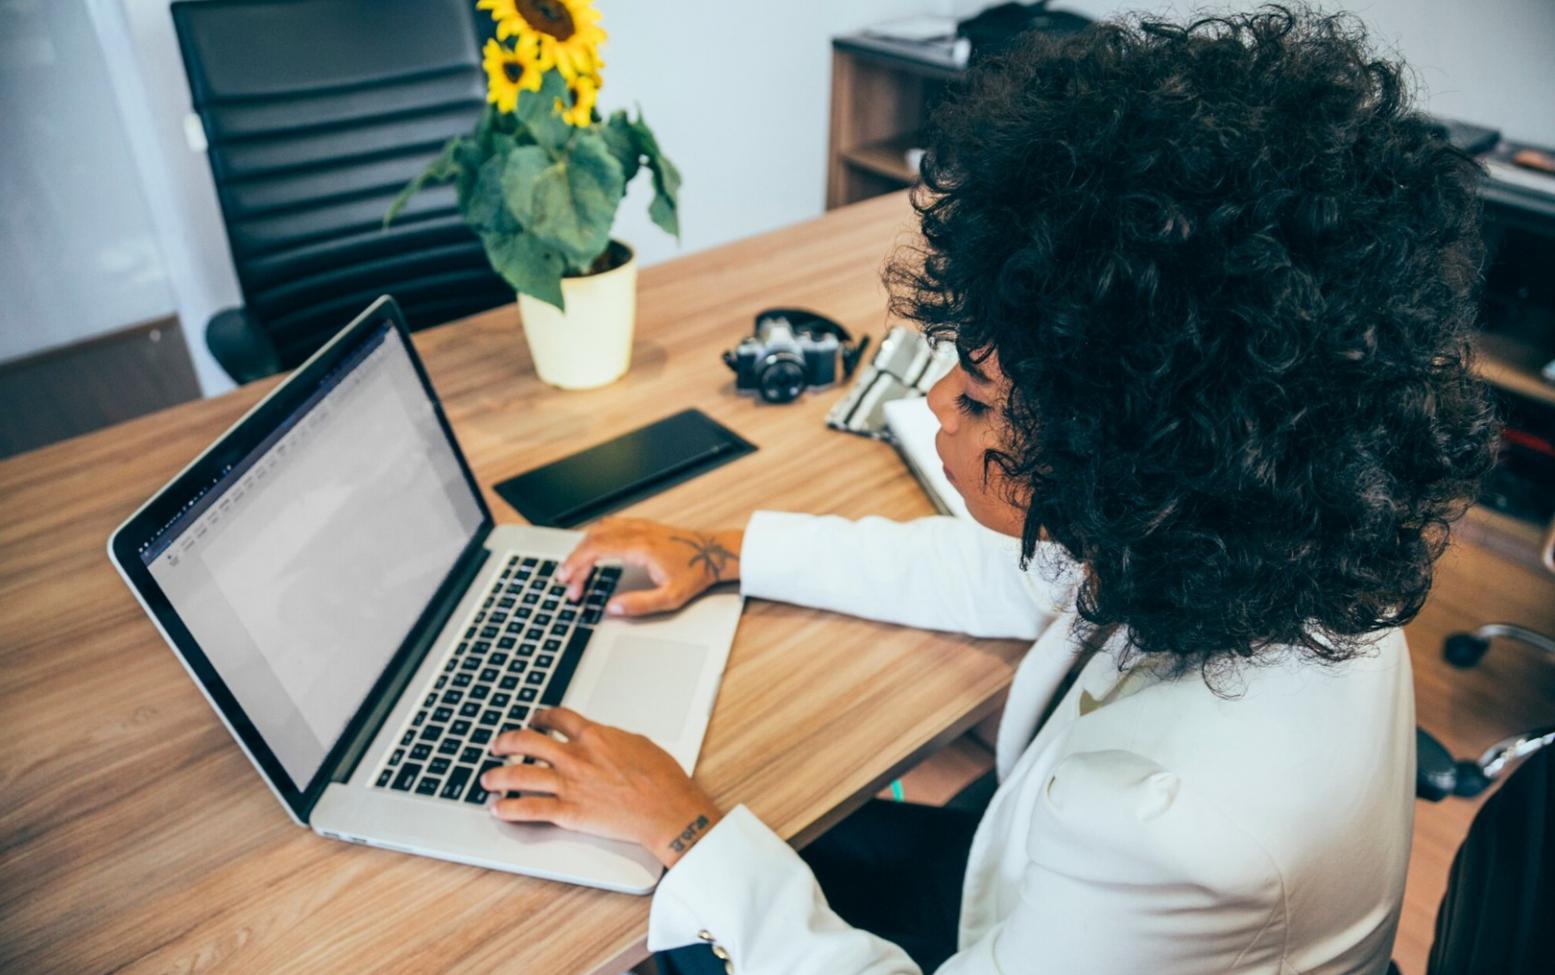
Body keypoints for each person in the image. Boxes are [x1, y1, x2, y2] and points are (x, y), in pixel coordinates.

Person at [477, 6, 1500, 972]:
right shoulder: (1262, 535)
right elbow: (1020, 572)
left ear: (1109, 455)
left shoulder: (1166, 830)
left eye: (970, 397)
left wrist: (680, 824)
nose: (930, 416)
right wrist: (723, 552)